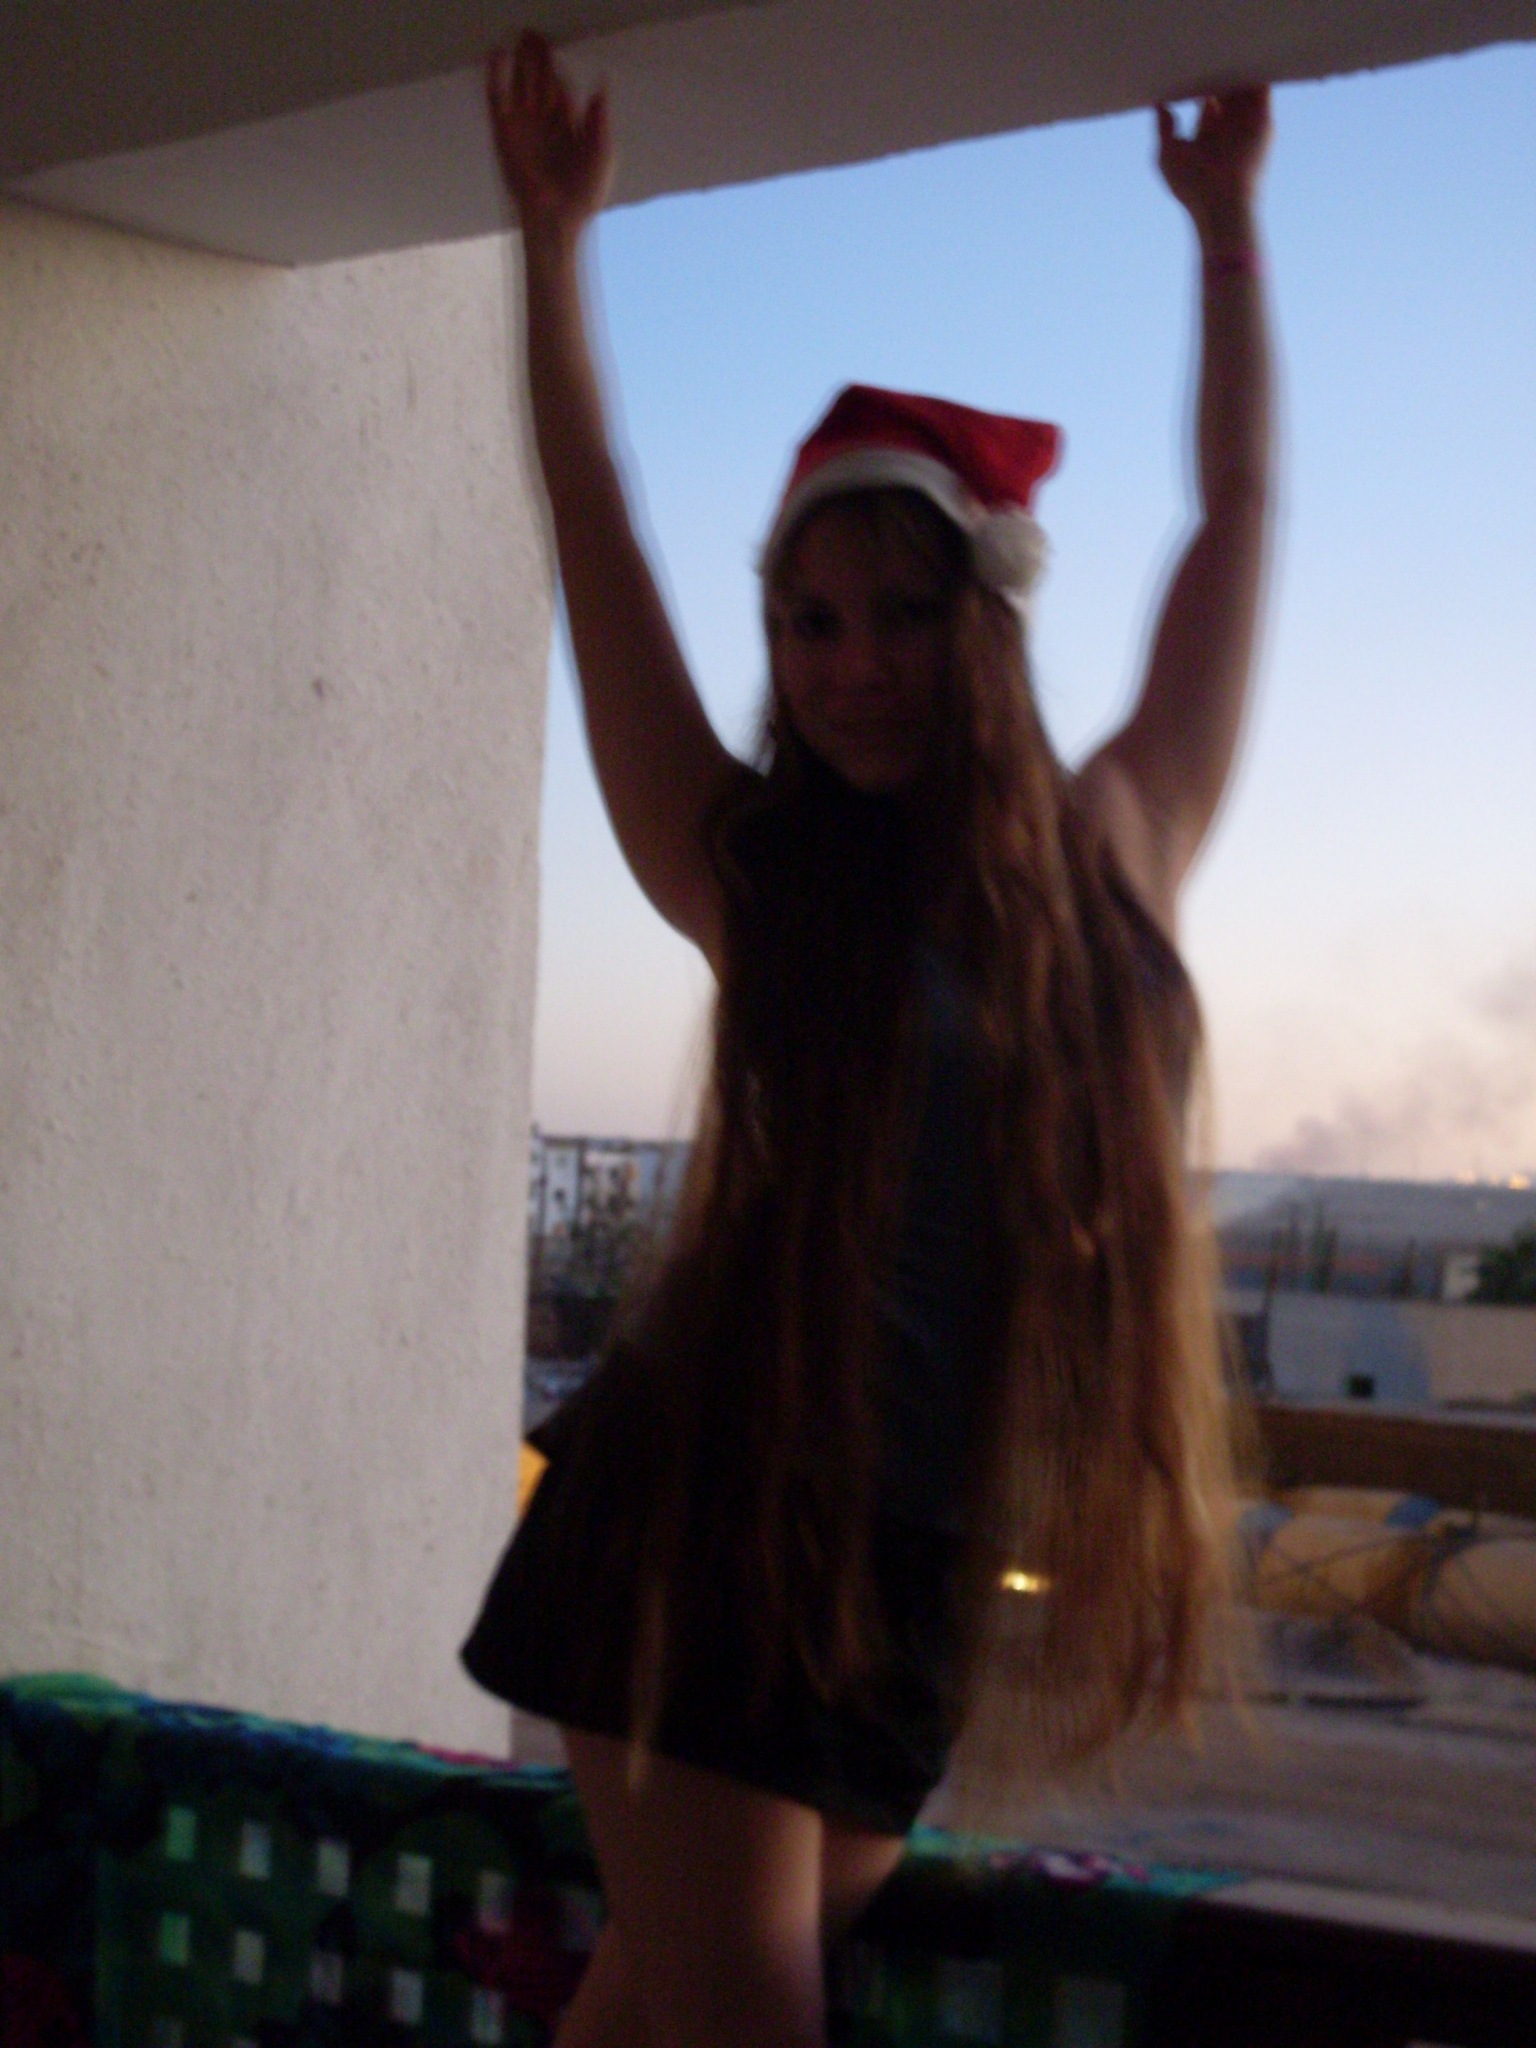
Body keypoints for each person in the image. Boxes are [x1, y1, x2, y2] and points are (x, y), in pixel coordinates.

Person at [466, 33, 1273, 2048]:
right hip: (701, 1527)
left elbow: (1236, 517)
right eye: (808, 621)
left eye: (899, 612)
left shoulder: (1119, 846)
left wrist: (1226, 236)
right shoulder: (762, 876)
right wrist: (553, 250)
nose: (849, 666)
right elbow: (597, 530)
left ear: (986, 621)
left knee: (660, 2010)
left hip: (914, 1568)